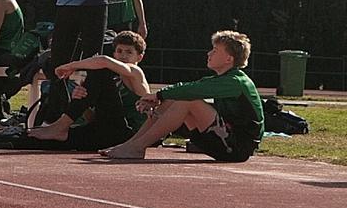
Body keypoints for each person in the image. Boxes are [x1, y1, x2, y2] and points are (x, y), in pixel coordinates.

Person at [0, 31, 148, 152]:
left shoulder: (136, 74)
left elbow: (104, 61)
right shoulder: (112, 82)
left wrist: (71, 65)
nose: (122, 56)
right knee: (50, 138)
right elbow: (94, 118)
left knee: (100, 71)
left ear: (139, 57)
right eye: (119, 51)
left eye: (129, 53)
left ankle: (59, 125)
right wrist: (83, 104)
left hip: (128, 136)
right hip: (108, 135)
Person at [100, 30, 264, 161]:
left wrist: (158, 95)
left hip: (237, 148)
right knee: (177, 98)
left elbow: (193, 90)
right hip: (223, 140)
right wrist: (160, 97)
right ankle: (132, 144)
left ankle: (137, 147)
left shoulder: (236, 81)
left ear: (229, 58)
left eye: (215, 50)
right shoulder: (221, 79)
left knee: (188, 101)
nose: (209, 54)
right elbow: (187, 87)